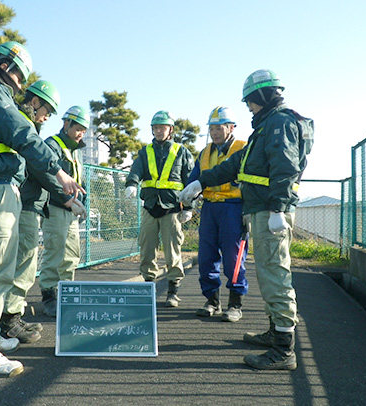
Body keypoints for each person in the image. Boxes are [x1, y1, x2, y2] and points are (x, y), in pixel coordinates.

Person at [0, 41, 84, 378]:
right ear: (3, 65)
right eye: (16, 73)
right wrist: (57, 170)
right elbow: (20, 131)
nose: (18, 82)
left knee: (1, 268)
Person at [179, 69, 313, 370]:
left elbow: (286, 165)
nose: (249, 107)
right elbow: (237, 164)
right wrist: (202, 182)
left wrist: (279, 207)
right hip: (261, 210)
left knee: (275, 276)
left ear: (261, 97)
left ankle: (283, 350)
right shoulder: (266, 127)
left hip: (269, 211)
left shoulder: (278, 123)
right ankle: (273, 332)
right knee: (267, 275)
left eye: (250, 101)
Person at [0, 80, 85, 344]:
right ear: (34, 102)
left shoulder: (31, 130)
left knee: (29, 259)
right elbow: (42, 170)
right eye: (46, 110)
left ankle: (11, 318)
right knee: (26, 259)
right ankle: (9, 322)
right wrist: (67, 198)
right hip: (28, 203)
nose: (47, 116)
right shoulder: (37, 136)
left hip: (30, 203)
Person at [125, 110, 194, 307]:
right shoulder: (145, 151)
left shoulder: (181, 152)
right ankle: (148, 288)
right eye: (155, 127)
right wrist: (131, 182)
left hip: (172, 209)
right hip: (150, 207)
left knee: (173, 252)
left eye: (162, 127)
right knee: (147, 250)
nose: (158, 131)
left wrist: (188, 207)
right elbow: (136, 169)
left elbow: (189, 180)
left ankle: (173, 291)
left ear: (170, 130)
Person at [186, 106, 249, 322]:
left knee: (234, 257)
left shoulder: (244, 148)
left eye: (219, 128)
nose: (214, 133)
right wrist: (187, 201)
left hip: (234, 208)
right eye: (211, 129)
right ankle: (212, 300)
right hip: (210, 209)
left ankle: (235, 304)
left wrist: (248, 212)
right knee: (206, 257)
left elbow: (251, 181)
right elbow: (194, 180)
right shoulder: (204, 153)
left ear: (231, 127)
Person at [38, 105, 90, 317]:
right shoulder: (53, 145)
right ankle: (49, 295)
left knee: (71, 254)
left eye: (84, 131)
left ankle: (66, 292)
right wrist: (69, 200)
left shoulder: (76, 151)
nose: (80, 134)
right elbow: (48, 177)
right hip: (56, 207)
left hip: (71, 211)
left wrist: (83, 203)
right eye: (78, 128)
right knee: (55, 250)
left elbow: (81, 181)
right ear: (66, 124)